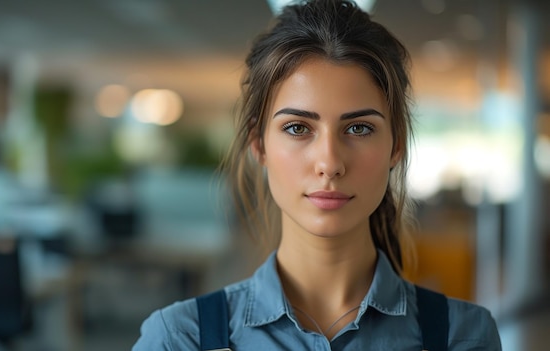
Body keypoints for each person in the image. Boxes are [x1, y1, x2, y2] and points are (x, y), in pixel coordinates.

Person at [132, 0, 502, 349]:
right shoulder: (180, 339)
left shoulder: (464, 337)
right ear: (258, 144)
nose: (329, 162)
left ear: (396, 146)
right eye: (297, 128)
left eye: (358, 128)